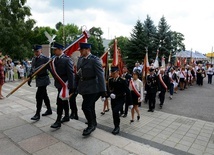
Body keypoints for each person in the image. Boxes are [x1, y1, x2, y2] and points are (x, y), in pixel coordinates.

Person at [76, 42, 106, 136]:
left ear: (87, 50)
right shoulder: (81, 59)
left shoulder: (95, 60)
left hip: (94, 87)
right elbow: (79, 73)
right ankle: (93, 122)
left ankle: (90, 125)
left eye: (81, 50)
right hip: (84, 86)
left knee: (85, 106)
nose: (80, 51)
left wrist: (103, 91)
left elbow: (100, 76)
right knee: (90, 106)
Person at [49, 42, 74, 128]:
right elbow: (54, 72)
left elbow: (71, 73)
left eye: (55, 50)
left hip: (65, 84)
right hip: (59, 84)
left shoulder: (67, 59)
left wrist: (71, 86)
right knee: (64, 100)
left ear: (60, 50)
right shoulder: (54, 60)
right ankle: (66, 116)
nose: (54, 51)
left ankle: (58, 120)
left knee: (59, 102)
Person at [28, 45, 52, 121]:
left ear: (41, 51)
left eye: (37, 51)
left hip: (44, 79)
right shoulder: (34, 59)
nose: (36, 53)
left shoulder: (45, 59)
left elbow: (51, 69)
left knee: (39, 96)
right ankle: (49, 109)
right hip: (38, 79)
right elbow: (32, 69)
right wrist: (30, 78)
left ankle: (37, 114)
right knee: (44, 95)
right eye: (35, 51)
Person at [108, 66, 131, 135]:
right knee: (114, 113)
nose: (112, 74)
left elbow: (128, 91)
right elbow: (108, 89)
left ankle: (117, 127)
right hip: (113, 99)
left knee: (115, 111)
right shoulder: (110, 80)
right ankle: (116, 126)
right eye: (111, 73)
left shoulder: (122, 80)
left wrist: (130, 103)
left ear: (118, 72)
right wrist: (109, 94)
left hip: (121, 99)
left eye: (114, 73)